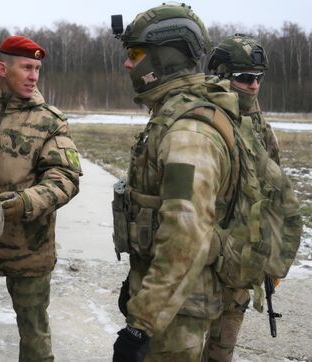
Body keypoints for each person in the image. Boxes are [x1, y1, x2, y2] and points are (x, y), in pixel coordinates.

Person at [110, 4, 241, 361]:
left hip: (178, 317)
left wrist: (141, 324)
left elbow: (185, 238)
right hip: (172, 304)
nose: (128, 64)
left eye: (135, 53)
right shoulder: (173, 115)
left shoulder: (189, 133)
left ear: (163, 57)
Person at [0, 35, 82, 362]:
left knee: (34, 331)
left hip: (28, 247)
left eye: (37, 68)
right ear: (2, 69)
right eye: (26, 67)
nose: (34, 75)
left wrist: (26, 202)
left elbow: (65, 177)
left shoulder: (50, 120)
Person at [204, 33, 283, 362]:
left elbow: (274, 191)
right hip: (201, 258)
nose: (253, 86)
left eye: (258, 78)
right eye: (244, 78)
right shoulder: (200, 121)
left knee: (223, 349)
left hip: (242, 263)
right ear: (222, 77)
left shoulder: (261, 127)